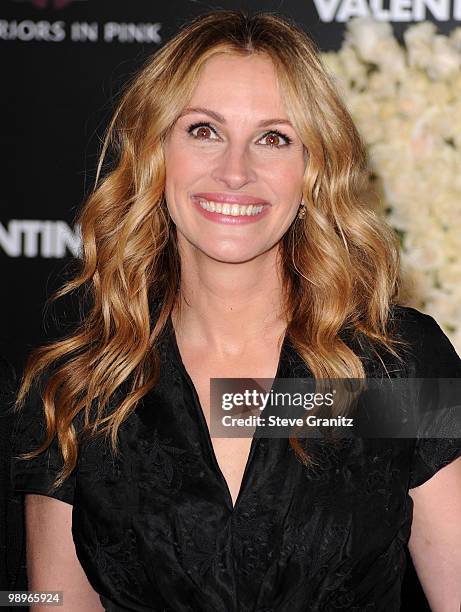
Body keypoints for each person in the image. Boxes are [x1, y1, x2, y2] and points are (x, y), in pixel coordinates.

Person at [10, 9, 461, 612]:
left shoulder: (396, 368)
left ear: (313, 170)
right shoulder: (81, 390)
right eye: (204, 130)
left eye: (273, 138)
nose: (235, 171)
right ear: (155, 153)